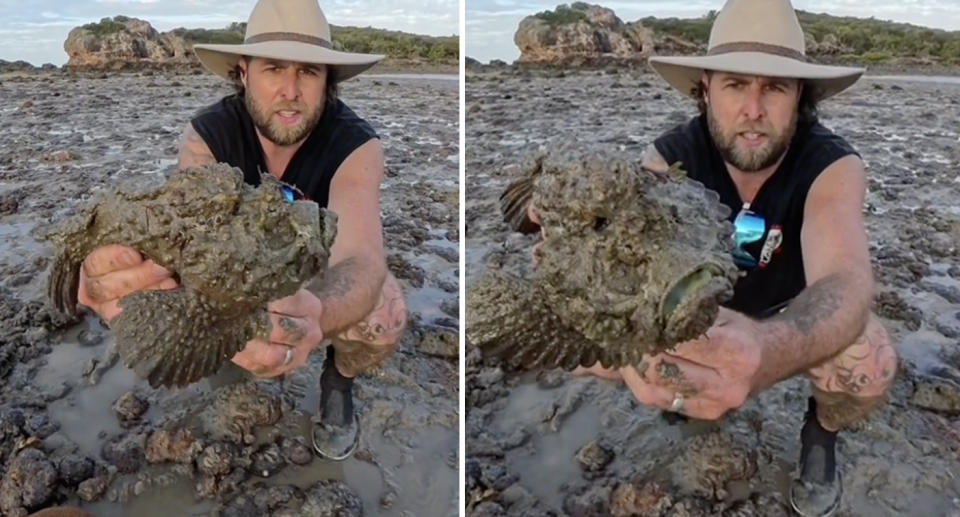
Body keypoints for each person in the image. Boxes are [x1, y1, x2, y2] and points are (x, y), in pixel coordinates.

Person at [514, 0, 898, 516]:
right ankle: (689, 399)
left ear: (800, 96)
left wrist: (764, 350)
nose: (754, 109)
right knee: (583, 345)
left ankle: (820, 436)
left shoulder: (830, 166)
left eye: (775, 87)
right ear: (706, 90)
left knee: (867, 361)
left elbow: (846, 282)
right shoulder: (669, 158)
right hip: (696, 311)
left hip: (788, 315)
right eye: (736, 85)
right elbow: (617, 243)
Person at [73, 0, 407, 463]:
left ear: (327, 81)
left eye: (308, 71)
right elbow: (183, 241)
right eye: (273, 68)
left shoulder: (356, 144)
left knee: (384, 310)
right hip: (233, 271)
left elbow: (362, 259)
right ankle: (227, 352)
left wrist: (316, 317)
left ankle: (338, 383)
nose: (290, 90)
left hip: (314, 266)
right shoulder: (207, 136)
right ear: (243, 72)